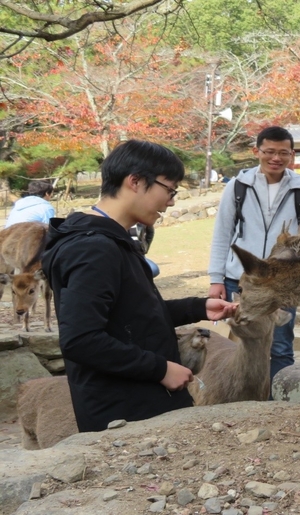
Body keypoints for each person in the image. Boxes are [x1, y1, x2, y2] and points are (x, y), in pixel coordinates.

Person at [41, 140, 237, 433]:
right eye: (169, 190)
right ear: (135, 181)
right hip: (124, 412)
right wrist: (160, 369)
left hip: (139, 402)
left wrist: (198, 308)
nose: (171, 201)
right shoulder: (94, 249)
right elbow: (81, 339)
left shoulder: (114, 241)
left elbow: (132, 314)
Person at [208, 126, 300, 387]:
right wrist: (216, 279)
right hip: (239, 279)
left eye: (283, 153)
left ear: (292, 155)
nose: (276, 158)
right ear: (257, 151)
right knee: (238, 336)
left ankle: (276, 402)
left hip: (282, 283)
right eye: (269, 151)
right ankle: (238, 395)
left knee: (281, 344)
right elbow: (222, 234)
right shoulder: (237, 187)